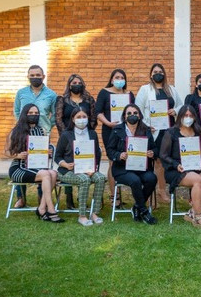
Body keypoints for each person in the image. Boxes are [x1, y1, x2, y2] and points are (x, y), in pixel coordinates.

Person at [159, 105, 201, 228]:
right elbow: (163, 155)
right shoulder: (171, 133)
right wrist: (176, 164)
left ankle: (192, 212)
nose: (188, 118)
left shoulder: (198, 132)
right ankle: (199, 217)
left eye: (191, 116)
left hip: (196, 167)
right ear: (180, 117)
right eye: (185, 115)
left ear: (195, 118)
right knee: (198, 180)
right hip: (176, 169)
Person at [5, 104, 62, 222]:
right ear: (24, 114)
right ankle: (50, 209)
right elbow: (6, 151)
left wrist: (47, 152)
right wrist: (17, 155)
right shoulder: (16, 131)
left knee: (53, 173)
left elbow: (41, 151)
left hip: (35, 166)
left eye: (36, 113)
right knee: (46, 174)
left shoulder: (41, 130)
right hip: (19, 168)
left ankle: (41, 208)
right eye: (30, 113)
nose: (33, 115)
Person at [136, 63, 184, 202]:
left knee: (165, 161)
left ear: (164, 74)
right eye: (155, 71)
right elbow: (138, 108)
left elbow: (180, 105)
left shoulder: (171, 89)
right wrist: (145, 125)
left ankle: (164, 190)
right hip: (153, 130)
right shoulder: (145, 89)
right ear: (151, 74)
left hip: (169, 130)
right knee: (156, 161)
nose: (158, 74)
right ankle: (156, 193)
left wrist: (174, 111)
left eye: (160, 71)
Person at [12, 65, 57, 208]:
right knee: (21, 161)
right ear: (28, 77)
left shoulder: (51, 94)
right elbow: (17, 111)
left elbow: (55, 114)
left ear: (43, 76)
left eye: (38, 75)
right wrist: (22, 126)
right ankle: (21, 197)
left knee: (40, 163)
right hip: (24, 132)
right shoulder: (21, 93)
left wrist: (47, 127)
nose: (35, 77)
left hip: (42, 134)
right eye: (32, 75)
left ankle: (41, 196)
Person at [105, 103, 158, 225]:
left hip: (142, 168)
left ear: (139, 116)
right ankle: (144, 211)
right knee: (135, 181)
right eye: (129, 113)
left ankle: (137, 207)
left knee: (152, 178)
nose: (132, 115)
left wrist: (152, 153)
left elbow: (155, 149)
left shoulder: (146, 130)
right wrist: (119, 155)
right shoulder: (117, 130)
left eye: (135, 113)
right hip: (122, 169)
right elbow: (110, 150)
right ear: (124, 116)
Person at [55, 107, 108, 226]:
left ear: (88, 118)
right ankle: (82, 215)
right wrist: (65, 165)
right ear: (73, 119)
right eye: (78, 117)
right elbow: (57, 156)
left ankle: (95, 213)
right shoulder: (66, 135)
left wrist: (93, 169)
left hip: (88, 169)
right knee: (84, 180)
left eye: (84, 117)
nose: (82, 119)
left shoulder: (92, 134)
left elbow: (96, 154)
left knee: (100, 178)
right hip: (67, 171)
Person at [55, 74, 97, 209]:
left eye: (79, 82)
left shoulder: (89, 100)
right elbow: (58, 119)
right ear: (69, 85)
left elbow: (93, 118)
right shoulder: (62, 100)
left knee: (84, 164)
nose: (76, 84)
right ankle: (69, 198)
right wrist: (67, 135)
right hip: (68, 137)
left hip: (85, 136)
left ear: (83, 84)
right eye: (74, 82)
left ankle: (82, 196)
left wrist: (87, 133)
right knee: (69, 163)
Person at [94, 69, 135, 198]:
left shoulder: (129, 94)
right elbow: (98, 112)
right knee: (113, 161)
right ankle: (114, 196)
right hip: (110, 130)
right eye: (116, 77)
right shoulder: (104, 93)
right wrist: (108, 123)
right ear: (111, 80)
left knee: (127, 159)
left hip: (126, 131)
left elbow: (134, 112)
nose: (119, 79)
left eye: (122, 77)